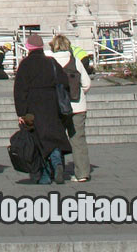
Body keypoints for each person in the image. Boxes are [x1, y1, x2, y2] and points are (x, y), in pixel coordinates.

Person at [13, 33, 71, 184]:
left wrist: (21, 112)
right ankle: (57, 161)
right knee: (53, 136)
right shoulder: (50, 62)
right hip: (51, 104)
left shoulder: (25, 64)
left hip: (33, 106)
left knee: (37, 140)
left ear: (28, 48)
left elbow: (20, 91)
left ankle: (45, 176)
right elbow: (64, 81)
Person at [47, 34, 91, 182]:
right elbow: (86, 83)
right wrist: (77, 94)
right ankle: (82, 173)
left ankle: (58, 168)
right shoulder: (76, 61)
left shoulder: (50, 63)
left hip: (56, 107)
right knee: (78, 139)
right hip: (77, 106)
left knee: (56, 139)